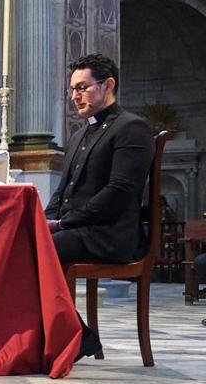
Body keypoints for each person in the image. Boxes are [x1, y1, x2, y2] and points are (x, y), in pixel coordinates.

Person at [46, 53, 154, 358]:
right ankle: (71, 333)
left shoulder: (132, 128)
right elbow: (63, 192)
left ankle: (75, 336)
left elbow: (119, 192)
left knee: (39, 250)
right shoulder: (81, 133)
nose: (74, 97)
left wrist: (64, 223)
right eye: (72, 90)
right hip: (80, 230)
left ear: (108, 85)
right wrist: (44, 219)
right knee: (26, 242)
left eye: (82, 88)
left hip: (110, 234)